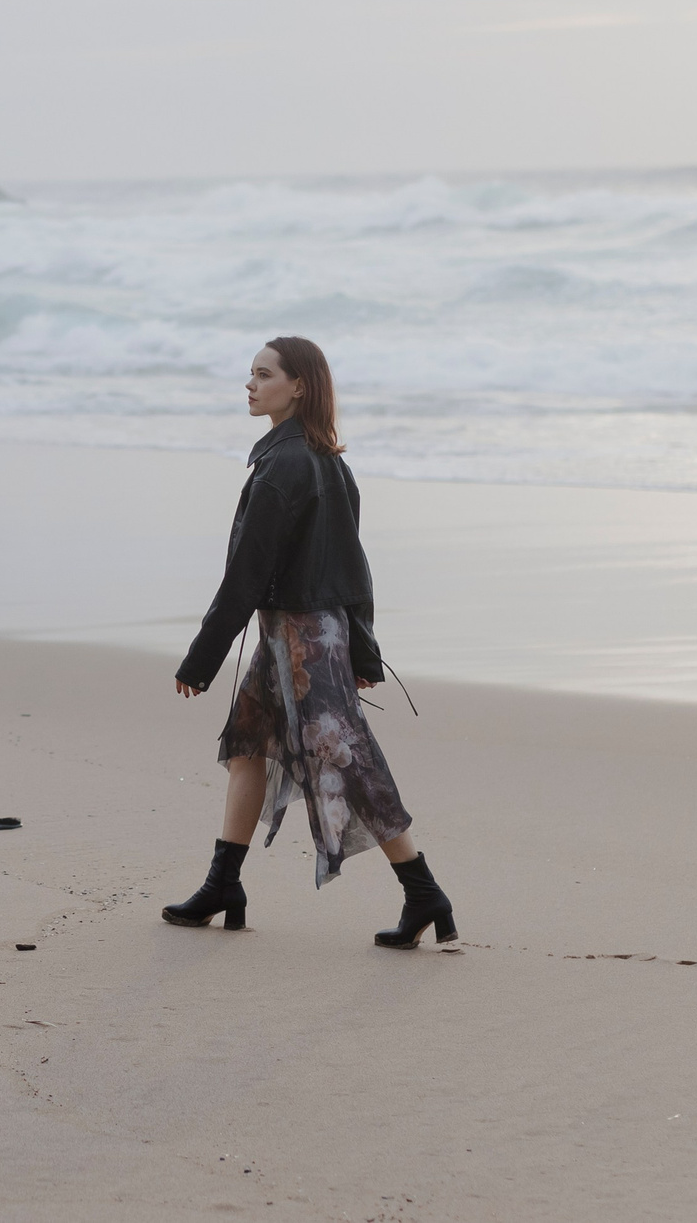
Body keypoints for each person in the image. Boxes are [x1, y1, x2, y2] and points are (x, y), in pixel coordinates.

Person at [163, 336, 455, 949]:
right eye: (250, 373)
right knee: (247, 745)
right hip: (308, 637)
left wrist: (202, 657)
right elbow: (356, 569)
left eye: (263, 374)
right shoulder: (328, 461)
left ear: (298, 386)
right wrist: (363, 650)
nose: (250, 384)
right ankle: (224, 884)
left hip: (300, 642)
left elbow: (245, 573)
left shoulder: (284, 466)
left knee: (350, 761)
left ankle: (423, 891)